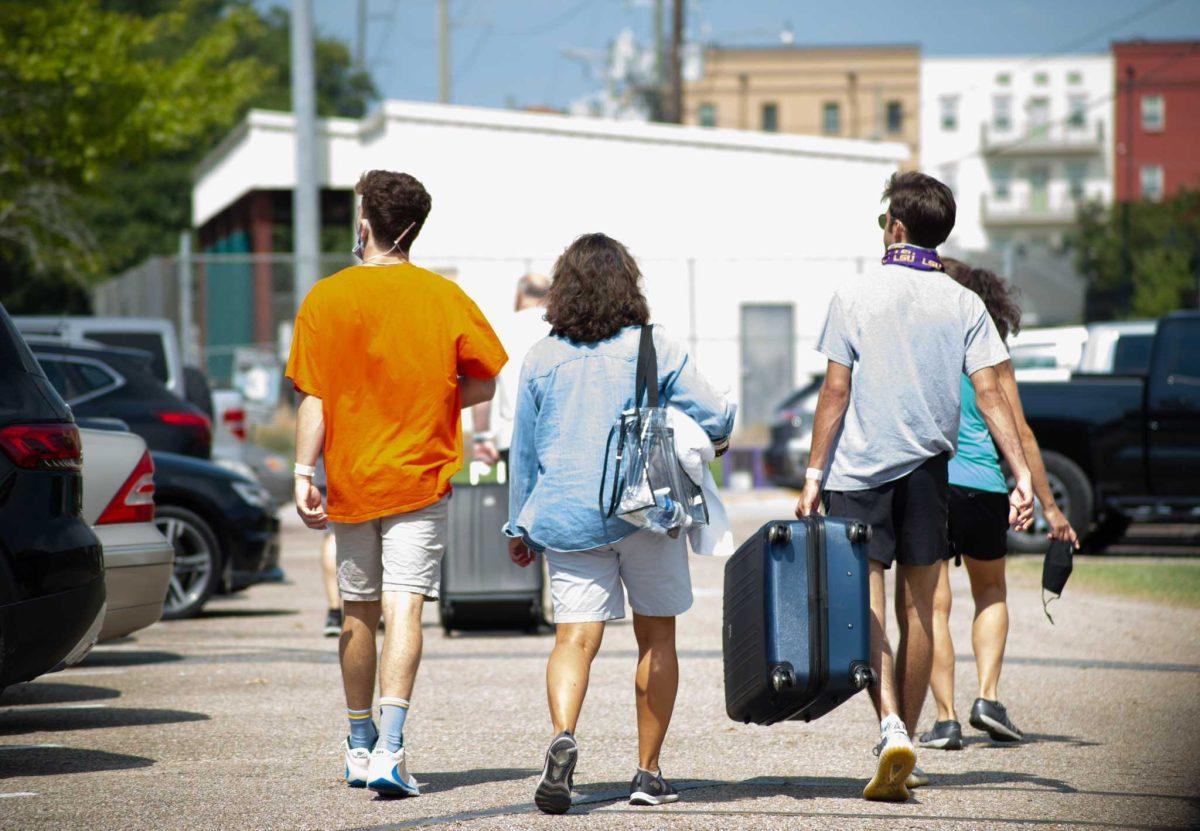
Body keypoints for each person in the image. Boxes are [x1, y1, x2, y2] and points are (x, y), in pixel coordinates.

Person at [795, 171, 1035, 802]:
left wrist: (814, 474)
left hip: (858, 473)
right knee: (921, 608)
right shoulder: (964, 303)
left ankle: (890, 725)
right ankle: (912, 733)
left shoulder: (855, 293)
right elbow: (991, 394)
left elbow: (835, 391)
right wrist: (1022, 474)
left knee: (867, 604)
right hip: (931, 474)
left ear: (896, 227)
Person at [286, 170, 506, 798]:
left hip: (352, 478)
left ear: (366, 224)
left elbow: (315, 396)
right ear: (413, 227)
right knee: (405, 605)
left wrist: (305, 472)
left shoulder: (325, 298)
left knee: (357, 610)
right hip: (420, 475)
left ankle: (357, 746)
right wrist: (429, 403)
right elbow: (485, 381)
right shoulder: (444, 298)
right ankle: (391, 747)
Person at [505, 233, 735, 815]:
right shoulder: (655, 347)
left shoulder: (541, 357)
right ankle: (647, 771)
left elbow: (524, 452)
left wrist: (519, 525)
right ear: (627, 284)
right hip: (646, 512)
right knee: (656, 636)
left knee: (574, 637)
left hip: (565, 514)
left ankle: (563, 735)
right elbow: (716, 415)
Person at [914, 259, 1079, 752]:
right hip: (984, 485)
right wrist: (1052, 509)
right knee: (991, 593)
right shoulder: (989, 350)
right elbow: (1021, 433)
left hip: (931, 483)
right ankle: (987, 698)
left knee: (933, 604)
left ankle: (944, 720)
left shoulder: (922, 343)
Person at [472, 273, 552, 465]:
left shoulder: (501, 327)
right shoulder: (562, 327)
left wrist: (482, 437)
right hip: (556, 436)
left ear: (519, 296)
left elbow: (481, 381)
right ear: (550, 297)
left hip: (514, 435)